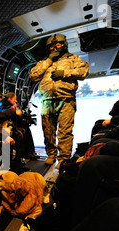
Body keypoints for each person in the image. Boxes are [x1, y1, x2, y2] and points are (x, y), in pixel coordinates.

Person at [29, 34, 89, 169]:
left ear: (64, 45)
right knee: (48, 131)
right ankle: (51, 154)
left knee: (65, 131)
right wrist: (49, 60)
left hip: (66, 100)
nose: (54, 47)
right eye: (51, 46)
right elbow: (34, 75)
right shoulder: (44, 62)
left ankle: (64, 158)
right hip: (47, 101)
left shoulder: (73, 59)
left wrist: (64, 73)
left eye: (58, 44)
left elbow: (83, 71)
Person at [0, 92, 39, 160]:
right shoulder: (1, 106)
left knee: (26, 128)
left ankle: (29, 152)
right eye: (14, 99)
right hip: (4, 127)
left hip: (10, 125)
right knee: (21, 131)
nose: (16, 101)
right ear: (9, 99)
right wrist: (12, 111)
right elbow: (1, 115)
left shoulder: (9, 107)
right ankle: (20, 155)